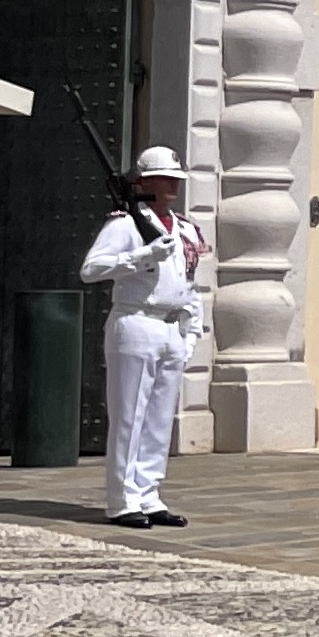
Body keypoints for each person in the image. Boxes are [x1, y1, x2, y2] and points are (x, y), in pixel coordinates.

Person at [76, 147, 212, 527]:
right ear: (143, 183)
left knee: (159, 419)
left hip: (171, 327)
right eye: (165, 180)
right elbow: (91, 269)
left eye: (176, 180)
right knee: (129, 416)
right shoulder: (125, 225)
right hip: (136, 322)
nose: (172, 187)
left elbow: (190, 282)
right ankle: (122, 499)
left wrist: (192, 331)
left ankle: (149, 494)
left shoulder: (184, 227)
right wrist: (140, 257)